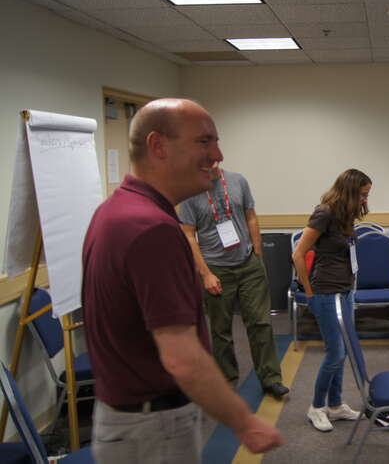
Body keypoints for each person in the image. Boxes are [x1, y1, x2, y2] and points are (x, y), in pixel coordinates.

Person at [82, 98, 282, 463]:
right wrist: (245, 422)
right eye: (204, 141)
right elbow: (182, 358)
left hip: (131, 419)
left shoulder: (115, 210)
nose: (217, 153)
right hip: (153, 428)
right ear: (157, 145)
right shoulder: (151, 228)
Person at [178, 164, 288, 398]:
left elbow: (251, 217)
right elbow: (188, 234)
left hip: (249, 263)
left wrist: (257, 253)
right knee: (221, 331)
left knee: (261, 324)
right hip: (216, 269)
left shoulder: (238, 181)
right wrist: (205, 273)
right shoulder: (189, 191)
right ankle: (227, 381)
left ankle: (271, 379)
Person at [291, 168, 372, 432]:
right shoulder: (324, 212)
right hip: (326, 292)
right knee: (335, 352)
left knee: (343, 351)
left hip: (345, 291)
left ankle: (335, 406)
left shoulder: (345, 214)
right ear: (348, 192)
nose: (364, 200)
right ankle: (316, 407)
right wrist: (309, 294)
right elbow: (298, 254)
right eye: (362, 194)